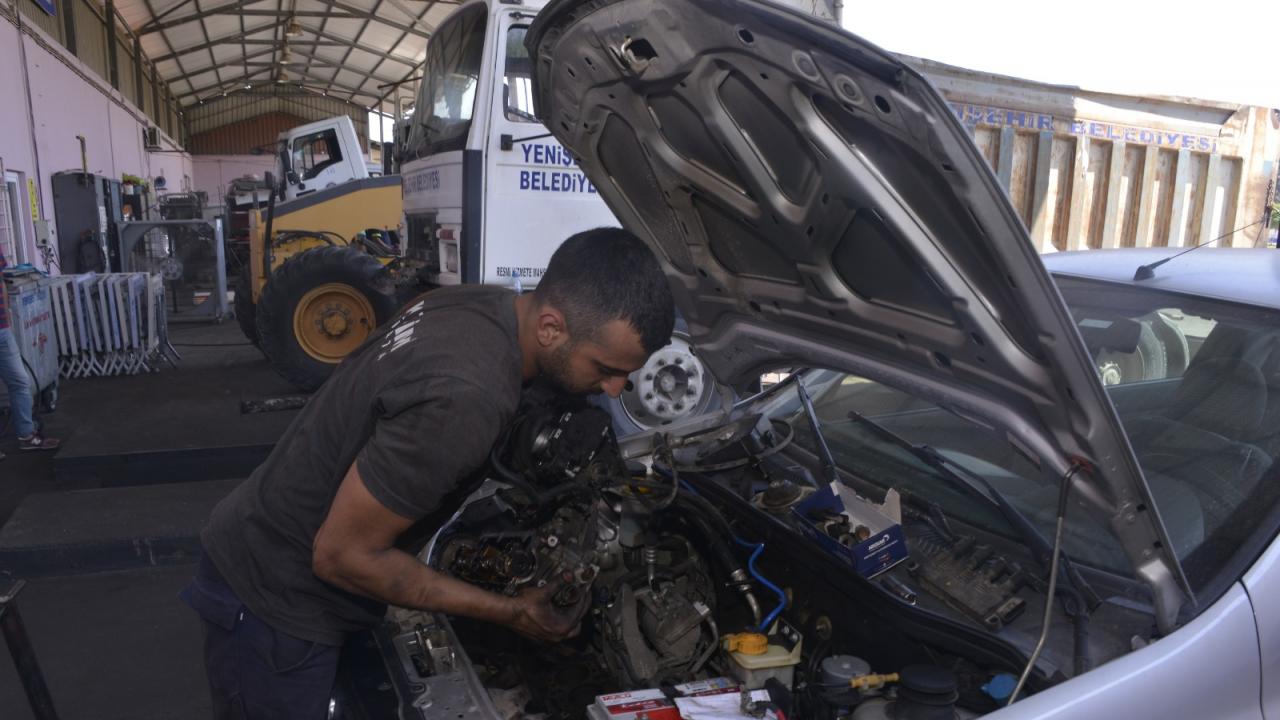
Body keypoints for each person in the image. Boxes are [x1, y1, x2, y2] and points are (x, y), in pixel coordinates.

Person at [182, 227, 675, 718]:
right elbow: (341, 556)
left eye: (626, 376)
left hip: (290, 562)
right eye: (606, 368)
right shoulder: (467, 397)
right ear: (550, 327)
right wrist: (515, 612)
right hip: (274, 603)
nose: (614, 391)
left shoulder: (484, 305)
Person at [0, 246, 60, 461]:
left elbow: (2, 282)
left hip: (2, 330)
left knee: (20, 381)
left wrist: (6, 314)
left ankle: (26, 436)